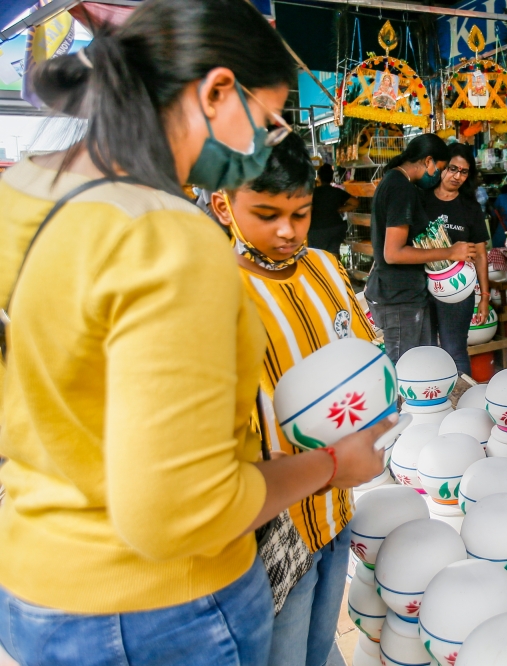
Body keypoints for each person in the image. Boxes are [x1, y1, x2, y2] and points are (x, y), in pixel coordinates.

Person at [0, 2, 389, 664]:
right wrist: (330, 466)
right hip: (159, 609)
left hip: (36, 576)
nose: (266, 144)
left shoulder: (24, 194)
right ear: (215, 92)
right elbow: (182, 513)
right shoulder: (169, 239)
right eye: (265, 120)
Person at [210, 133, 375, 666]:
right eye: (266, 214)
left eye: (300, 213)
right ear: (222, 205)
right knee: (283, 653)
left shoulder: (327, 268)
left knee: (322, 639)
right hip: (275, 523)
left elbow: (365, 355)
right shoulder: (212, 293)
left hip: (339, 502)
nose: (287, 231)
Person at [365, 134, 475, 363]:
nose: (437, 175)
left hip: (404, 295)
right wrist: (449, 252)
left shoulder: (394, 182)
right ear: (428, 161)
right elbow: (393, 253)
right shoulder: (400, 188)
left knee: (420, 367)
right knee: (407, 372)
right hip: (399, 299)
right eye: (440, 168)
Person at [423, 143, 490, 375]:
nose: (457, 176)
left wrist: (484, 297)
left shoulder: (470, 208)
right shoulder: (422, 200)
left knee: (455, 350)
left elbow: (481, 255)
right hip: (423, 286)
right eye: (452, 169)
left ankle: (463, 405)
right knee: (426, 349)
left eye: (463, 172)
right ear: (441, 167)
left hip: (458, 289)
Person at [309, 163, 356, 258]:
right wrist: (341, 209)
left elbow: (308, 209)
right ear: (331, 178)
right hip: (336, 228)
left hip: (316, 230)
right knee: (333, 255)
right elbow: (355, 203)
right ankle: (334, 271)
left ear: (318, 177)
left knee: (316, 258)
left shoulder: (313, 193)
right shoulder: (337, 192)